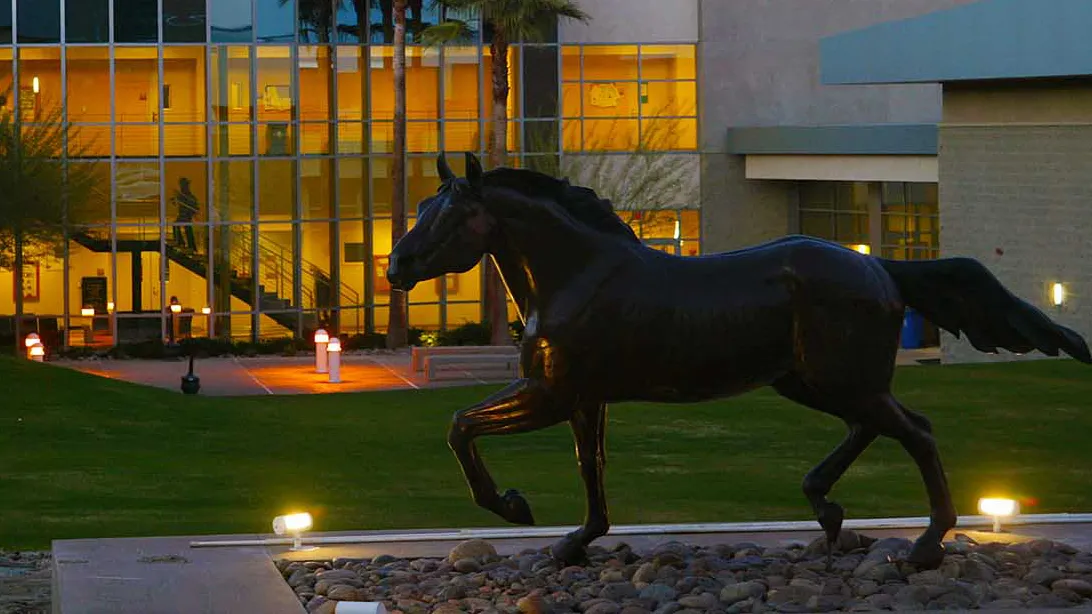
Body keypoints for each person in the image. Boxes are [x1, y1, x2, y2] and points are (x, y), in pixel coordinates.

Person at [172, 177, 200, 251]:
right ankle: (190, 246)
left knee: (179, 226)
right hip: (184, 214)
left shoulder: (187, 195)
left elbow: (194, 205)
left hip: (186, 215)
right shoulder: (183, 195)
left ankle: (182, 243)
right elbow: (176, 203)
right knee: (187, 229)